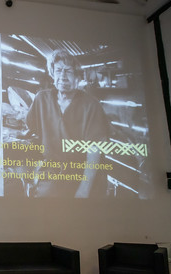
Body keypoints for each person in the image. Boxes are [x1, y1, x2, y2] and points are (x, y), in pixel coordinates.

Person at [25, 49, 110, 197]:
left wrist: (84, 190)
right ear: (52, 74)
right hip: (53, 172)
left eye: (69, 71)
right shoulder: (41, 99)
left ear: (77, 77)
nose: (63, 76)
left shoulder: (91, 106)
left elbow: (94, 151)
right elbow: (33, 127)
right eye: (58, 70)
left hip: (83, 174)